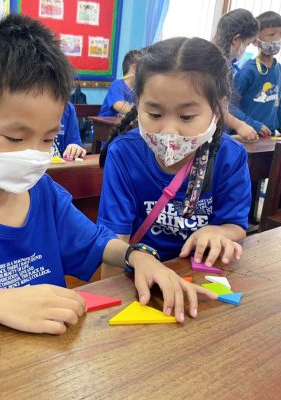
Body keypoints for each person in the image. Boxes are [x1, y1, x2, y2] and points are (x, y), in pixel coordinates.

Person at [0, 14, 216, 344]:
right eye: (15, 138)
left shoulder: (43, 193)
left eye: (47, 139)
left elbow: (99, 243)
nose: (32, 155)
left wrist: (138, 256)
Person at [98, 37, 251, 277]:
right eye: (154, 114)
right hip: (139, 275)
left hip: (200, 274)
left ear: (218, 109)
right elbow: (114, 239)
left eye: (187, 117)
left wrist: (219, 232)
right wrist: (111, 296)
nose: (169, 132)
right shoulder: (124, 153)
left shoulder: (230, 156)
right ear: (138, 104)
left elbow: (235, 224)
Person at [212, 8, 259, 141]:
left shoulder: (225, 64)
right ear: (236, 39)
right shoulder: (214, 65)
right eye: (247, 44)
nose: (246, 49)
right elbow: (212, 105)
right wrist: (239, 125)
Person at [231, 11, 281, 137]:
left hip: (270, 137)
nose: (277, 39)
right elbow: (229, 106)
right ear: (255, 40)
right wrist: (252, 124)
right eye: (271, 34)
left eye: (280, 34)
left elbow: (278, 104)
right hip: (247, 136)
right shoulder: (248, 70)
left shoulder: (278, 69)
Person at [98, 49, 142, 117]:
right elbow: (119, 106)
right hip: (105, 123)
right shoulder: (117, 85)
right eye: (144, 69)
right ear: (134, 68)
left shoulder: (138, 89)